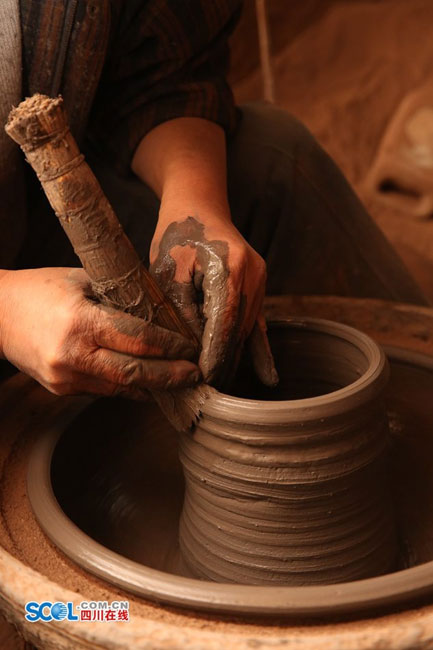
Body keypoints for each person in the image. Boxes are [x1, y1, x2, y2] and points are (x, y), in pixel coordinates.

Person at [0, 0, 427, 400]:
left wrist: (194, 209)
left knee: (270, 157)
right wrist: (9, 311)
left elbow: (159, 74)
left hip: (26, 205)